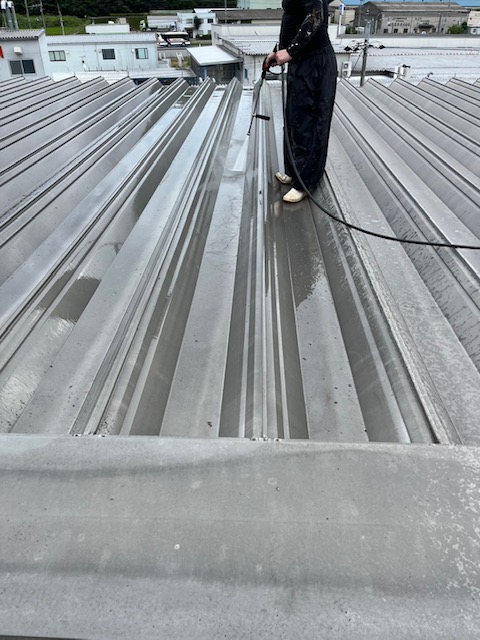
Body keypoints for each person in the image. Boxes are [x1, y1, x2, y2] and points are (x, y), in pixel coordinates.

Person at [265, 0, 337, 203]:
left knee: (311, 124)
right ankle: (294, 172)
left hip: (315, 63)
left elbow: (315, 16)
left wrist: (290, 52)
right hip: (300, 62)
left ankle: (305, 182)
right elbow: (295, 19)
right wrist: (279, 50)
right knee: (295, 120)